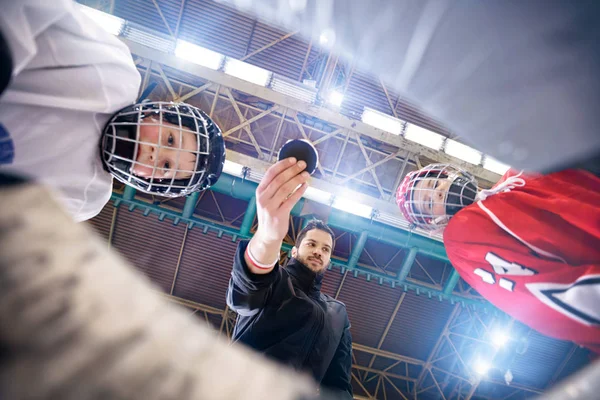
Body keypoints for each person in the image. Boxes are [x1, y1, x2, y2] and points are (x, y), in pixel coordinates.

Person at [0, 0, 225, 222]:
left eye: (166, 166)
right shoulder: (113, 71)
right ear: (159, 116)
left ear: (152, 181)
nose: (155, 152)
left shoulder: (86, 198)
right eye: (169, 139)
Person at [396, 164, 600, 351]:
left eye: (434, 183)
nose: (438, 192)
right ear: (434, 221)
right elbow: (545, 296)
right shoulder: (464, 234)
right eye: (430, 203)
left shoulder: (516, 174)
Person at [226, 157, 353, 399]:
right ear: (294, 251)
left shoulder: (338, 313)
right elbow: (244, 294)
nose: (318, 251)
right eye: (312, 244)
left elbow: (339, 382)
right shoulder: (276, 280)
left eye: (326, 249)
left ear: (329, 260)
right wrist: (267, 238)